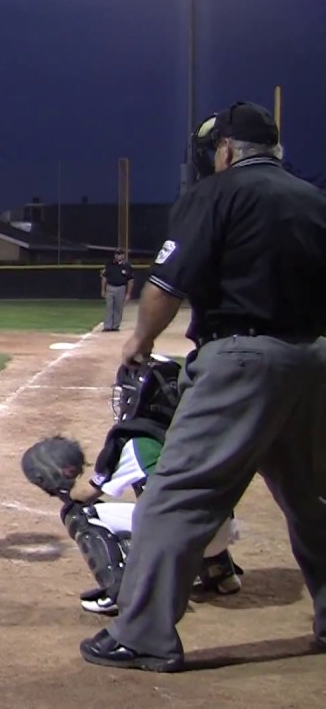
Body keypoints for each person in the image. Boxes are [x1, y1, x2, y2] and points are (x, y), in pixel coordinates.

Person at [80, 100, 326, 672]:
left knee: (176, 495)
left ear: (227, 150)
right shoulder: (314, 199)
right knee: (314, 501)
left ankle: (142, 633)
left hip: (241, 360)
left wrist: (140, 340)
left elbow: (166, 285)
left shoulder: (217, 193)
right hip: (314, 361)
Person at [60, 358, 242, 617]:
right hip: (223, 528)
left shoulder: (136, 441)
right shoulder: (199, 428)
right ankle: (220, 573)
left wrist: (64, 489)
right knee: (173, 491)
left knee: (79, 513)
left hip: (181, 537)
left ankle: (121, 592)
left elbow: (87, 494)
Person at [100, 250, 135, 331]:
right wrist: (103, 290)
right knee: (109, 307)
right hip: (110, 287)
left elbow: (130, 280)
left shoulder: (127, 266)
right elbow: (104, 277)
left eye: (120, 254)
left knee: (118, 308)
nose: (118, 256)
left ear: (123, 255)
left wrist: (128, 293)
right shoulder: (109, 264)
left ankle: (115, 326)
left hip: (121, 288)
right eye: (117, 254)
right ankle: (107, 326)